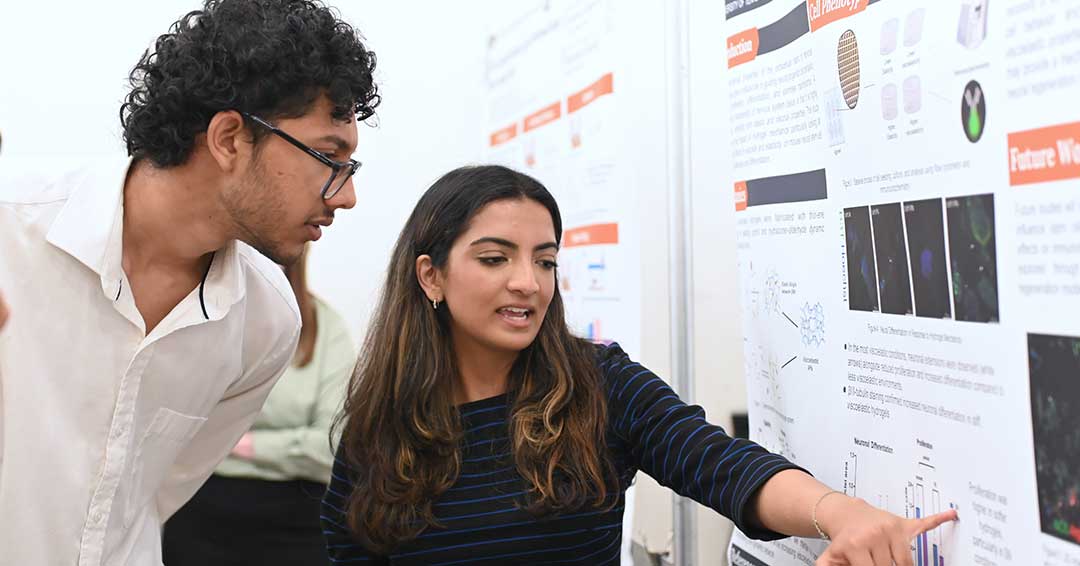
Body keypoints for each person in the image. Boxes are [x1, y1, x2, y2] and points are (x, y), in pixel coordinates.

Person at [321, 165, 957, 565]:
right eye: (495, 259)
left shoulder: (597, 385)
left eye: (544, 260)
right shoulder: (378, 430)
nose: (528, 283)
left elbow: (722, 463)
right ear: (431, 276)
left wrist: (840, 514)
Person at [0, 0, 377, 564]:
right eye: (328, 157)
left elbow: (154, 496)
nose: (345, 195)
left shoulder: (268, 321)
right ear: (229, 138)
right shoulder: (11, 227)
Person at [162, 245, 356, 565]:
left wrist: (240, 444)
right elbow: (174, 427)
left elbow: (331, 447)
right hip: (202, 510)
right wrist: (290, 443)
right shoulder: (198, 316)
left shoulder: (327, 328)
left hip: (298, 520)